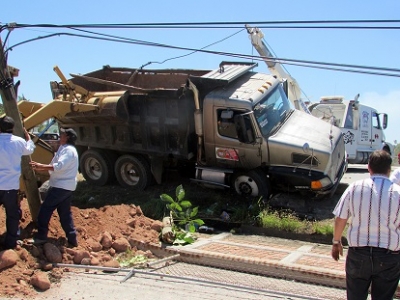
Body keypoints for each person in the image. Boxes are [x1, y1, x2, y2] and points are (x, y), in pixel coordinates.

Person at [331, 150, 400, 300]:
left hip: (358, 254)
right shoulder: (398, 193)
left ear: (369, 167)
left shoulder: (355, 187)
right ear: (389, 170)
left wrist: (336, 242)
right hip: (389, 257)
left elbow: (340, 218)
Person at [29, 127, 79, 247]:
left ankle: (41, 236)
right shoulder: (64, 148)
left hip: (61, 186)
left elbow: (59, 166)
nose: (60, 135)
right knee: (65, 214)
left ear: (67, 137)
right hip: (63, 186)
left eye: (62, 134)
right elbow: (55, 165)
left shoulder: (69, 151)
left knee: (45, 209)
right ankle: (72, 239)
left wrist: (41, 166)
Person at [0, 116, 35, 249]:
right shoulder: (19, 142)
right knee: (12, 215)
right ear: (13, 128)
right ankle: (10, 243)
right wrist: (28, 138)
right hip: (10, 186)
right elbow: (30, 149)